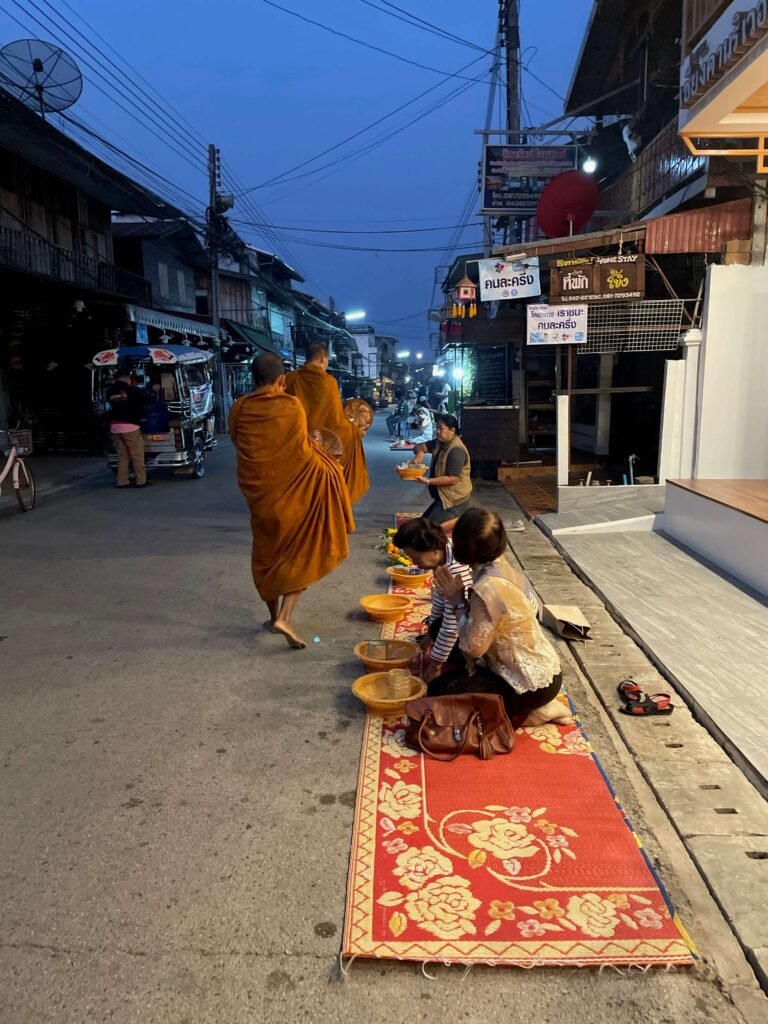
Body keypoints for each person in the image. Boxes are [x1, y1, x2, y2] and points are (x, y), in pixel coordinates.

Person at [229, 352, 354, 649]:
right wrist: (329, 467)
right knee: (303, 548)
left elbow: (238, 442)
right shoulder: (291, 405)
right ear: (282, 380)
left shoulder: (239, 408)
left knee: (267, 553)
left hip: (259, 495)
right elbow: (301, 448)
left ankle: (273, 616)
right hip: (293, 493)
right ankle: (285, 616)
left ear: (253, 378)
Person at [429, 509, 570, 728]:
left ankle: (537, 712)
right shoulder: (502, 566)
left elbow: (473, 648)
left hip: (532, 684)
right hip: (540, 668)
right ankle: (530, 705)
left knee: (440, 693)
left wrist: (457, 602)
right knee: (439, 629)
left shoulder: (487, 589)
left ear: (463, 546)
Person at [284, 344, 370, 505]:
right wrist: (355, 431)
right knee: (351, 440)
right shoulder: (328, 382)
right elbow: (336, 420)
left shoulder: (291, 378)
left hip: (298, 440)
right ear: (323, 358)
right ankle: (329, 503)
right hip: (324, 442)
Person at [392, 517, 473, 683]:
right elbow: (440, 601)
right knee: (436, 628)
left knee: (442, 686)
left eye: (415, 557)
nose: (414, 563)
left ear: (433, 550)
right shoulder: (444, 552)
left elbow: (452, 625)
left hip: (482, 630)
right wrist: (429, 634)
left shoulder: (456, 570)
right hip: (465, 614)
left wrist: (435, 666)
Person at [409, 414, 472, 532]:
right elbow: (418, 447)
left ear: (452, 430)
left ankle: (460, 519)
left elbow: (452, 479)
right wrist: (420, 453)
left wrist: (428, 481)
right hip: (442, 499)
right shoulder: (440, 442)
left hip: (453, 502)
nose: (437, 431)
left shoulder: (456, 450)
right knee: (420, 526)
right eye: (436, 428)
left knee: (427, 532)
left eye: (441, 428)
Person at [106, 368, 147, 488]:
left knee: (122, 456)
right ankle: (141, 481)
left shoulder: (110, 391)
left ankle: (122, 481)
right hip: (130, 427)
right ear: (126, 378)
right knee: (137, 455)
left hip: (115, 427)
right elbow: (144, 400)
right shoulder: (132, 390)